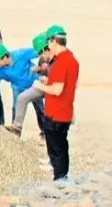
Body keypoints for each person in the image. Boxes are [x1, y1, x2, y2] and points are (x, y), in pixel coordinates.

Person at [29, 25, 79, 185]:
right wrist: (48, 80)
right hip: (65, 111)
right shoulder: (71, 59)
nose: (48, 46)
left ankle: (60, 181)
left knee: (57, 149)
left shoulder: (60, 63)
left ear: (53, 41)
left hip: (56, 114)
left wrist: (39, 85)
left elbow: (57, 90)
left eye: (48, 42)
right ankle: (60, 177)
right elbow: (69, 85)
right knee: (60, 146)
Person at [6, 32, 55, 137]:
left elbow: (60, 82)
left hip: (54, 88)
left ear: (45, 49)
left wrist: (46, 80)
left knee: (42, 109)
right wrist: (39, 70)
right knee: (21, 98)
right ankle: (16, 129)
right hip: (42, 85)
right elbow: (43, 70)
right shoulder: (43, 59)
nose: (39, 56)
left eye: (40, 53)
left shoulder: (58, 59)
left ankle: (47, 133)